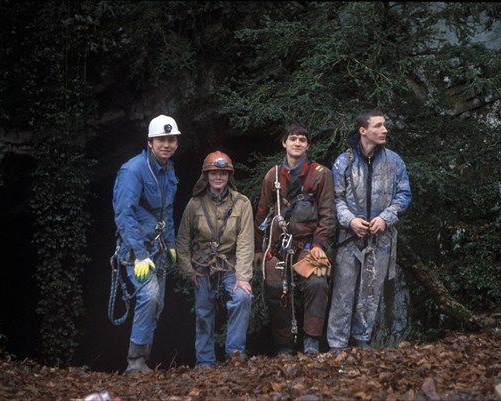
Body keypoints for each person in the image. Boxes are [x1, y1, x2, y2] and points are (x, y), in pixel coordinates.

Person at [326, 109, 412, 351]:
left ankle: (362, 340)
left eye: (384, 125)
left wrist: (386, 218)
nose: (384, 130)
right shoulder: (344, 161)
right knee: (342, 293)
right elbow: (336, 197)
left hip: (381, 239)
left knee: (371, 292)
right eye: (378, 126)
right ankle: (336, 345)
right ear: (363, 130)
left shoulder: (394, 161)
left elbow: (404, 195)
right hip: (349, 238)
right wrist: (350, 220)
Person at [254, 123, 336, 356]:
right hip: (280, 245)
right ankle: (284, 345)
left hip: (308, 245)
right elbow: (262, 213)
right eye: (292, 139)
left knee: (318, 281)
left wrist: (319, 245)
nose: (297, 143)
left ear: (308, 145)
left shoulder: (321, 174)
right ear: (284, 143)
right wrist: (260, 248)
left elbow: (327, 214)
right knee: (272, 284)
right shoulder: (273, 175)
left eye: (302, 139)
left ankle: (311, 340)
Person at [112, 114, 181, 373]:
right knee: (149, 296)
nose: (167, 144)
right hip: (137, 250)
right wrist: (140, 254)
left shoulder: (168, 170)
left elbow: (167, 212)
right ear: (150, 142)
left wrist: (171, 244)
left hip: (159, 248)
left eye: (171, 139)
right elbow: (124, 214)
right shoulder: (133, 170)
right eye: (161, 139)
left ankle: (143, 362)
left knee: (158, 304)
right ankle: (135, 362)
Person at [176, 151, 254, 367]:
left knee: (242, 298)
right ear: (206, 175)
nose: (218, 177)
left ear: (229, 176)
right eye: (213, 173)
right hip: (203, 266)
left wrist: (243, 277)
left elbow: (246, 242)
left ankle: (235, 354)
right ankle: (204, 363)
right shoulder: (194, 204)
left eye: (223, 173)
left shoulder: (242, 203)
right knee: (203, 314)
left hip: (230, 266)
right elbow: (182, 240)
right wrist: (188, 271)